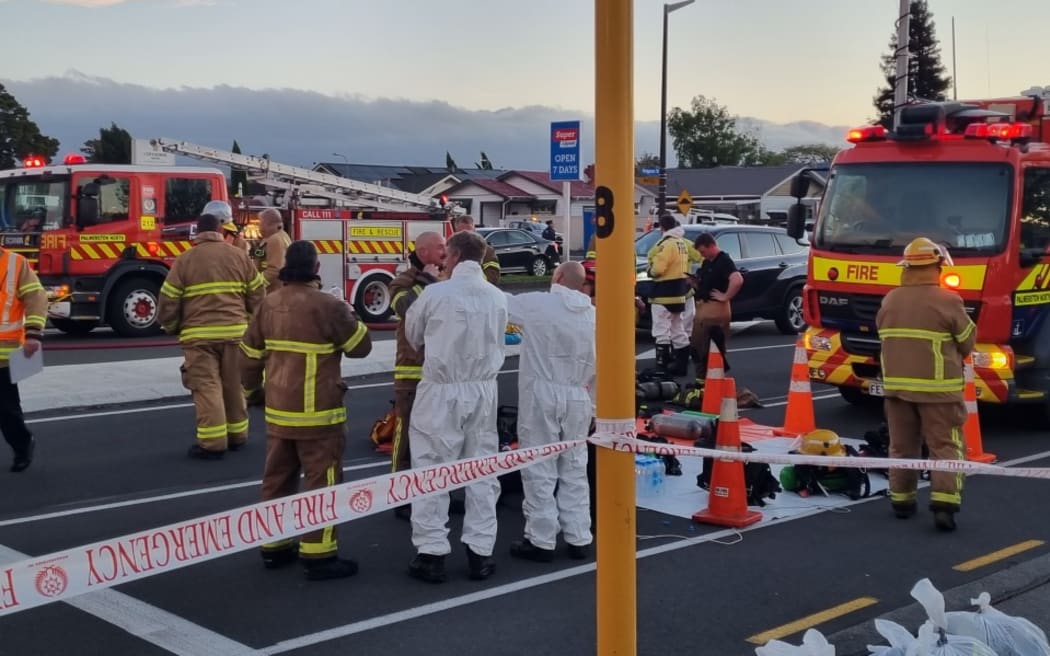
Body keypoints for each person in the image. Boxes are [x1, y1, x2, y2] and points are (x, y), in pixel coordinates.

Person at [240, 241, 372, 579]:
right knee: (322, 481)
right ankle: (319, 555)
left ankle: (274, 546)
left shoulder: (268, 304)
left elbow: (249, 357)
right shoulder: (328, 306)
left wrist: (254, 393)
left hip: (278, 411)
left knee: (276, 479)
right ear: (316, 269)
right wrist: (350, 313)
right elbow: (360, 348)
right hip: (319, 414)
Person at [403, 231, 508, 583]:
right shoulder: (497, 297)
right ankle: (480, 553)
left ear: (455, 254)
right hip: (482, 391)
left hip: (441, 391)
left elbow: (413, 335)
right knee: (481, 471)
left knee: (432, 469)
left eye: (446, 253)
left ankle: (431, 553)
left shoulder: (434, 293)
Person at [876, 237, 976, 532]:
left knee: (902, 446)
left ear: (906, 267)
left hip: (895, 388)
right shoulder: (948, 300)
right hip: (938, 390)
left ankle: (902, 501)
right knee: (945, 446)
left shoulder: (891, 299)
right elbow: (967, 341)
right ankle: (944, 505)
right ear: (937, 266)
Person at [505, 261, 595, 562]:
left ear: (556, 277)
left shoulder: (537, 304)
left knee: (539, 466)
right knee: (574, 468)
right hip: (578, 396)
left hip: (542, 393)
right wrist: (593, 407)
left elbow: (498, 303)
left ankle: (541, 539)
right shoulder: (594, 315)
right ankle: (579, 535)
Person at [158, 213, 266, 459]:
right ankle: (238, 436)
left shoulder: (185, 260)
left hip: (199, 338)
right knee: (234, 386)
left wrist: (172, 326)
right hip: (236, 334)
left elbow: (168, 301)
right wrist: (250, 323)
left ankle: (213, 443)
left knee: (207, 388)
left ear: (197, 233)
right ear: (220, 230)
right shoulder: (239, 256)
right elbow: (258, 295)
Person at [388, 231, 445, 481]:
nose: (445, 251)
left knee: (439, 435)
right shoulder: (404, 282)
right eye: (440, 247)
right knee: (406, 436)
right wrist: (425, 282)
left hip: (441, 372)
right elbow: (405, 308)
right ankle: (400, 492)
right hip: (411, 373)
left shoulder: (447, 278)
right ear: (423, 252)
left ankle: (434, 488)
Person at [0, 247, 45, 473]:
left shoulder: (15, 263)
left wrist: (34, 333)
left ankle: (22, 444)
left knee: (6, 411)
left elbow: (36, 297)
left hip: (3, 357)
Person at [692, 232, 743, 383]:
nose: (703, 255)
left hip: (715, 310)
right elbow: (706, 282)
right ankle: (703, 382)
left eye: (703, 251)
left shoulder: (724, 261)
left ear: (712, 246)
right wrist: (695, 283)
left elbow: (737, 279)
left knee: (709, 346)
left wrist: (726, 296)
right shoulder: (708, 262)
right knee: (699, 347)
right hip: (704, 308)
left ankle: (713, 382)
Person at [646, 214, 691, 375]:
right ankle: (681, 366)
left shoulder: (666, 244)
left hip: (663, 293)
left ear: (663, 228)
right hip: (679, 293)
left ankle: (662, 366)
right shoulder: (682, 243)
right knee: (678, 329)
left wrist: (650, 271)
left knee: (661, 330)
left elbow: (658, 269)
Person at [452, 215, 500, 284]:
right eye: (462, 233)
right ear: (456, 232)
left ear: (474, 230)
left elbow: (493, 277)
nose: (467, 236)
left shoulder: (487, 250)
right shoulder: (449, 250)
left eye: (469, 232)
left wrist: (475, 283)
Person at [255, 208, 292, 293]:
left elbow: (274, 270)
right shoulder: (281, 236)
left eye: (260, 223)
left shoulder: (275, 240)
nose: (259, 226)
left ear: (267, 223)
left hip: (272, 291)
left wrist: (255, 285)